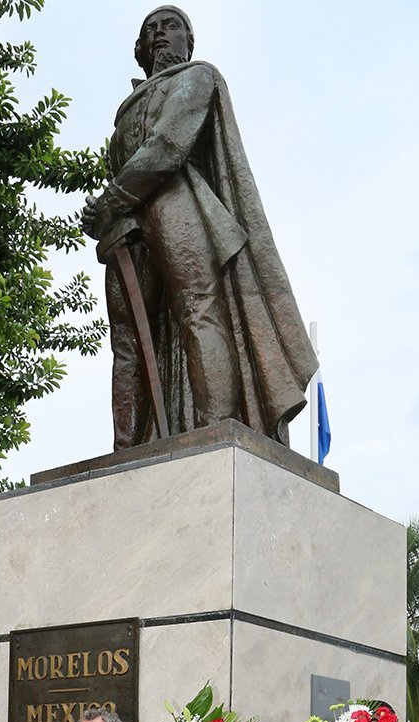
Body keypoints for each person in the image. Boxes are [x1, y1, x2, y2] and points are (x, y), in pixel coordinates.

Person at [82, 6, 317, 450]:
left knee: (198, 310)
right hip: (126, 226)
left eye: (171, 27)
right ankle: (125, 450)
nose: (159, 35)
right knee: (127, 343)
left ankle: (215, 431)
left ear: (189, 40)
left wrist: (110, 201)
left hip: (176, 204)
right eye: (150, 30)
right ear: (140, 49)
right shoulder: (124, 112)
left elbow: (168, 146)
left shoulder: (196, 77)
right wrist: (101, 215)